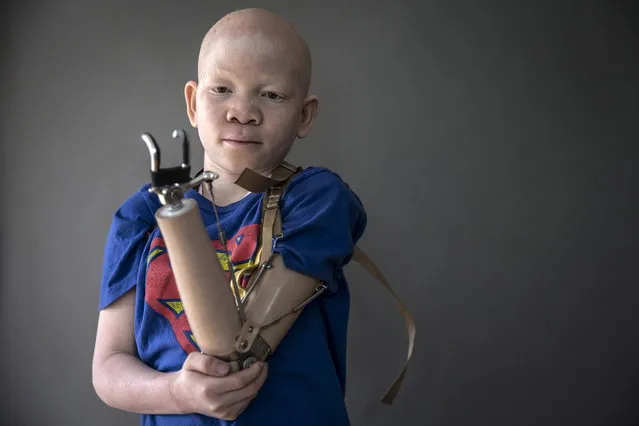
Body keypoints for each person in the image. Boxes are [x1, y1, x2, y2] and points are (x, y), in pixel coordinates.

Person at [92, 7, 367, 426]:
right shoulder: (140, 217)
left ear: (305, 115)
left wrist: (179, 220)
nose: (242, 111)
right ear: (192, 102)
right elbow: (109, 368)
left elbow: (236, 347)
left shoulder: (316, 200)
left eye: (271, 94)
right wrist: (176, 394)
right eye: (221, 88)